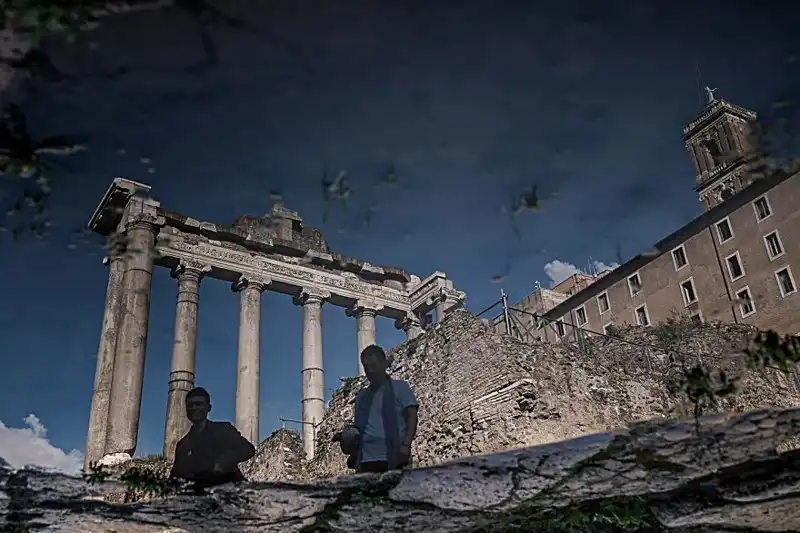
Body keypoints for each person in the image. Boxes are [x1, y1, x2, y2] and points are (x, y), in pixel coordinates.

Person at [334, 345, 419, 473]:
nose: (371, 370)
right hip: (366, 462)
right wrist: (346, 437)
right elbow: (360, 430)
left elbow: (412, 416)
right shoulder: (361, 397)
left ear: (384, 364)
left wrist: (406, 445)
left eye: (374, 365)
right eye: (367, 367)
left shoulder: (400, 387)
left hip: (395, 457)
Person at [169, 387, 256, 485]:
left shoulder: (223, 429)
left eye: (198, 404)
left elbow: (248, 448)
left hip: (230, 488)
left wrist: (224, 461)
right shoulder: (182, 445)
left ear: (209, 407)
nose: (194, 408)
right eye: (190, 405)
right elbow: (175, 476)